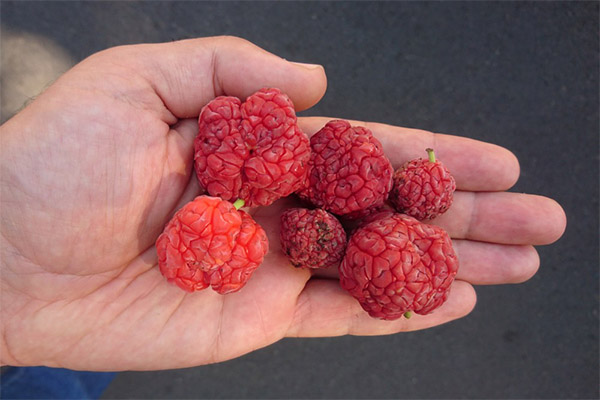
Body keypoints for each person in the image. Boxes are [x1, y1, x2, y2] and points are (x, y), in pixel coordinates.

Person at [0, 36, 566, 374]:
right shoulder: (241, 201)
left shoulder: (316, 207)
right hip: (34, 338)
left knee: (59, 376)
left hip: (34, 340)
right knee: (57, 375)